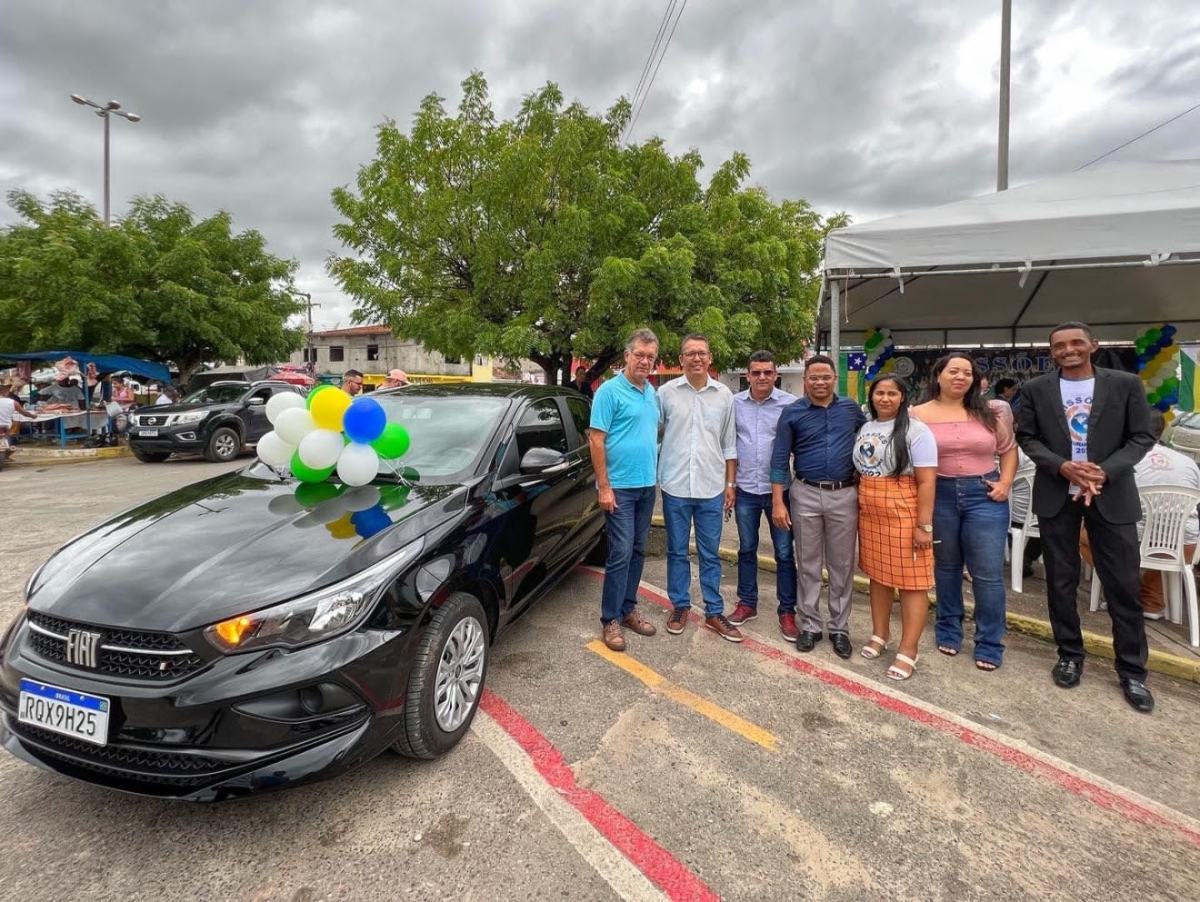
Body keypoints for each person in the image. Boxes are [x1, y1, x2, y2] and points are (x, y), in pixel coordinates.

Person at [1016, 321, 1156, 713]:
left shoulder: (1125, 384)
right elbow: (1028, 438)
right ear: (1052, 352)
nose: (1068, 350)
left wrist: (1104, 471)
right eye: (1059, 345)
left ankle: (1132, 671)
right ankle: (1070, 655)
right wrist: (1062, 467)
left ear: (1093, 345)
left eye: (1076, 342)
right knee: (1060, 580)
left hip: (1111, 494)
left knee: (1123, 584)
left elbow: (1141, 437)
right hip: (1058, 493)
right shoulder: (1036, 389)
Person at [912, 354, 1017, 671]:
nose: (960, 377)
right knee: (946, 567)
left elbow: (1009, 449)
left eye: (967, 373)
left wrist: (1005, 483)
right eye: (953, 371)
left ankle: (989, 641)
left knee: (987, 574)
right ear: (938, 375)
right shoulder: (917, 414)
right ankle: (949, 628)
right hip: (939, 493)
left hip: (983, 495)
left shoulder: (993, 411)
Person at [771, 355, 866, 657]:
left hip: (844, 494)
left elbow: (872, 441)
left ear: (834, 379)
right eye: (814, 377)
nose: (820, 382)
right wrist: (777, 501)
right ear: (805, 380)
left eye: (826, 377)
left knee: (842, 565)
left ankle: (839, 628)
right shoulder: (792, 412)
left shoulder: (850, 410)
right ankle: (810, 624)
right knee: (808, 563)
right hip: (805, 493)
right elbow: (778, 459)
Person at [854, 376, 938, 680]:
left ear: (903, 397)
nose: (885, 398)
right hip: (872, 511)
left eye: (892, 393)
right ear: (872, 396)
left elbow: (927, 481)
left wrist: (924, 525)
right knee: (879, 576)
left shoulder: (917, 430)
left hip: (904, 510)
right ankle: (880, 633)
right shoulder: (866, 427)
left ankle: (908, 648)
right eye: (879, 393)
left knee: (912, 582)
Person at [657, 334, 740, 641]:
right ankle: (679, 605)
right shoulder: (665, 394)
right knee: (677, 551)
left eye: (701, 353)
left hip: (711, 487)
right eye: (689, 354)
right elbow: (654, 432)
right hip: (675, 486)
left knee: (710, 553)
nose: (696, 358)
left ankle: (714, 611)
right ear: (680, 360)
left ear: (710, 358)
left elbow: (729, 444)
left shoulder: (724, 395)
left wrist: (730, 484)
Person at [1079, 409, 1198, 619]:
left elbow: (1103, 501)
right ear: (1160, 433)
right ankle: (1151, 599)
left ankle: (1123, 591)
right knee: (1172, 535)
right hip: (1185, 548)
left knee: (1081, 535)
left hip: (1133, 543)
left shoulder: (1120, 461)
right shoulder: (1189, 463)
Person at [589, 328, 662, 652]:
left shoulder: (651, 392)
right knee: (619, 553)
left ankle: (628, 609)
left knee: (637, 550)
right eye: (640, 355)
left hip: (647, 486)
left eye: (650, 357)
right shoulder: (609, 391)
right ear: (627, 356)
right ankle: (610, 620)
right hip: (619, 488)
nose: (645, 361)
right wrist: (604, 487)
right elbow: (595, 439)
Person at [728, 351, 800, 640]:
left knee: (784, 552)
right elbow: (728, 446)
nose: (762, 377)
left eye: (767, 372)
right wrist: (729, 485)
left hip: (779, 492)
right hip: (745, 489)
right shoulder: (733, 404)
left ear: (776, 375)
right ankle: (747, 603)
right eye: (756, 372)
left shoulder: (791, 405)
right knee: (747, 549)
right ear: (747, 375)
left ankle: (787, 610)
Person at [0, 380, 35, 463]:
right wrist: (33, 416)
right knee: (13, 442)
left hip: (5, 430)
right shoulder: (13, 402)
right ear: (6, 393)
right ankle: (7, 456)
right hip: (6, 428)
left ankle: (6, 456)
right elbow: (24, 413)